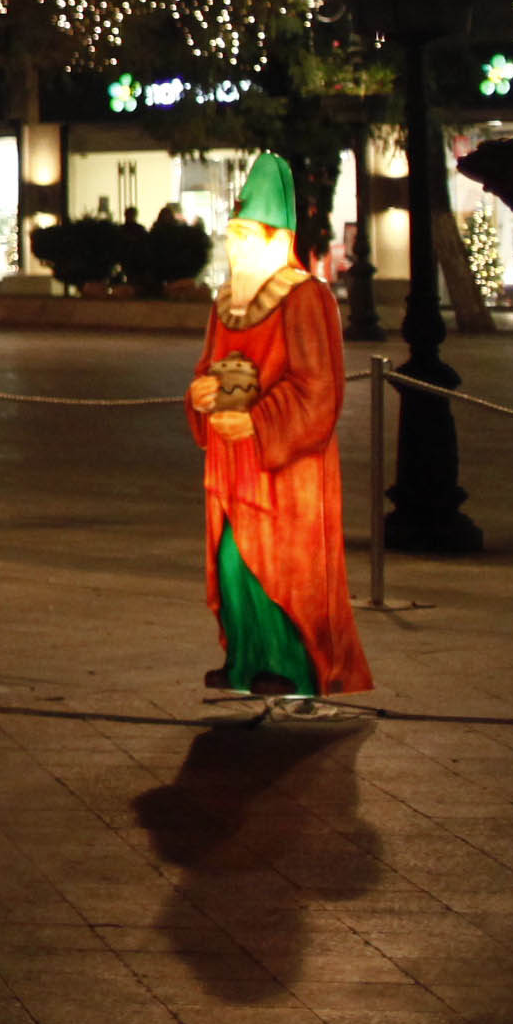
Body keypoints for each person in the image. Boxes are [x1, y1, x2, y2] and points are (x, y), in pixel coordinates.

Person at [188, 155, 374, 704]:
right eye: (232, 235)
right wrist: (201, 395)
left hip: (283, 466)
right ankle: (245, 657)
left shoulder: (304, 297)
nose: (236, 247)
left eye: (247, 235)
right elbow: (207, 368)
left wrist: (258, 420)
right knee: (233, 562)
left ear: (277, 238)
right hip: (231, 463)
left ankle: (292, 663)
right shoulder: (225, 303)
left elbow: (319, 389)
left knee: (284, 566)